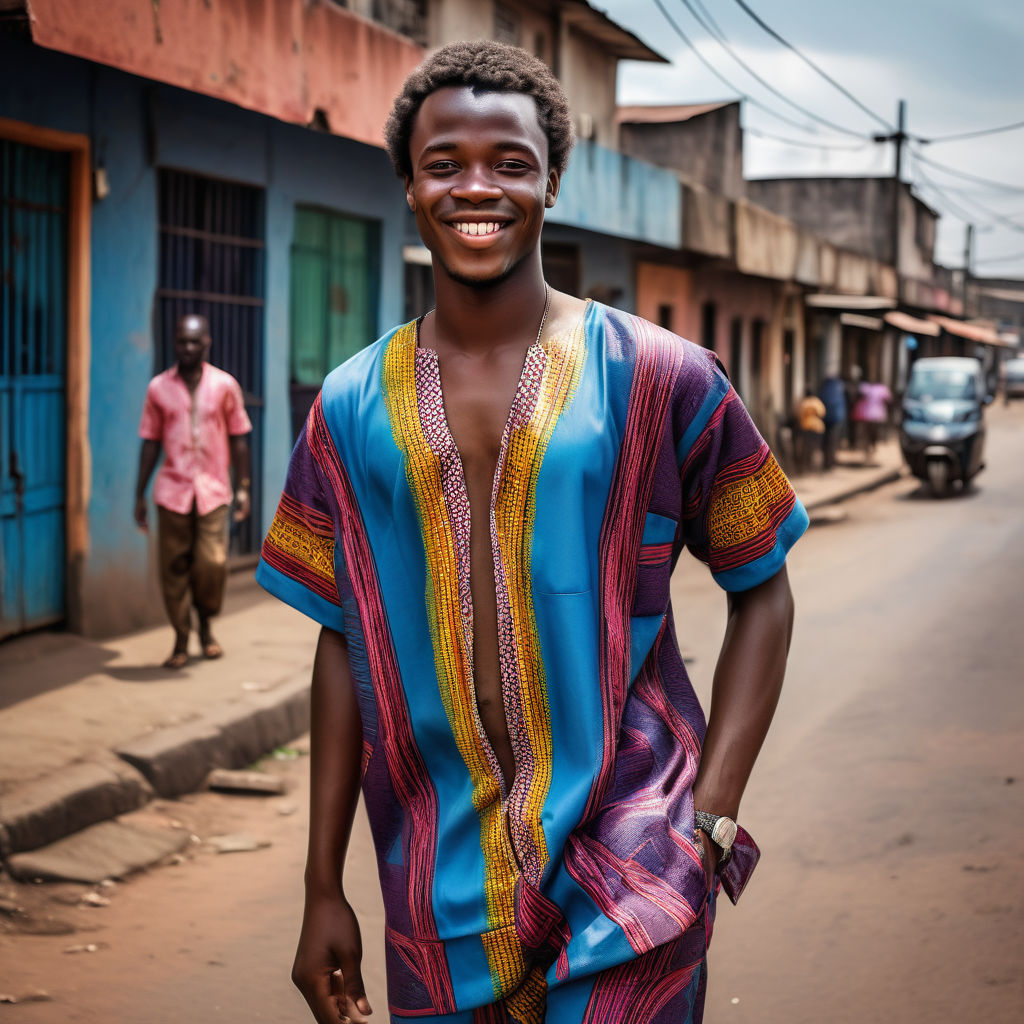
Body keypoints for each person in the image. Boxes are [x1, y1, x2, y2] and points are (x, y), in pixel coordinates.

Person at [257, 42, 807, 1024]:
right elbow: (345, 639)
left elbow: (761, 583)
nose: (478, 186)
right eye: (444, 162)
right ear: (408, 185)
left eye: (510, 161)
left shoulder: (660, 375)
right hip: (437, 883)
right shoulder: (345, 407)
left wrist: (711, 820)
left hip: (635, 863)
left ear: (553, 179)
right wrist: (319, 886)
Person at [135, 314, 252, 669]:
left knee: (212, 563)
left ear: (206, 343)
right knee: (173, 569)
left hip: (214, 491)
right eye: (181, 342)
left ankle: (206, 623)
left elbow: (239, 439)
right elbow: (150, 444)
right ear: (174, 344)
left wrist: (243, 487)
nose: (186, 348)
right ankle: (182, 637)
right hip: (172, 491)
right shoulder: (158, 388)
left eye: (193, 342)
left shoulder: (225, 385)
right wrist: (138, 494)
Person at [851, 378, 892, 459]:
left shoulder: (865, 387)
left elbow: (858, 398)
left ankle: (867, 448)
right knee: (874, 433)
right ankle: (871, 447)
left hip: (866, 415)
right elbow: (888, 400)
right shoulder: (882, 389)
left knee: (867, 433)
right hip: (877, 416)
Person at [818, 369, 847, 470]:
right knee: (833, 441)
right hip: (837, 418)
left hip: (825, 417)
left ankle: (826, 462)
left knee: (826, 441)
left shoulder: (824, 387)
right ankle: (830, 462)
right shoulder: (839, 386)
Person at [795, 387, 826, 474]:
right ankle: (815, 467)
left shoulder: (804, 403)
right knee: (816, 448)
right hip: (818, 427)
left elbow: (799, 415)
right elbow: (822, 413)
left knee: (806, 448)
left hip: (806, 426)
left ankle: (805, 467)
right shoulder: (817, 402)